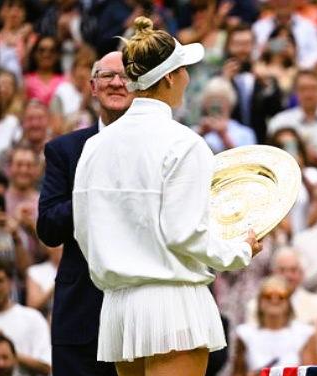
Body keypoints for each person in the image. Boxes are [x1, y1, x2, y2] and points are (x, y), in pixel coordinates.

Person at [72, 17, 262, 376]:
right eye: (185, 69)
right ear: (171, 77)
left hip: (118, 305)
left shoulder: (94, 146)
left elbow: (85, 232)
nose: (189, 78)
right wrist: (240, 249)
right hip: (172, 302)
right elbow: (183, 232)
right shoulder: (184, 143)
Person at [36, 51, 134, 376]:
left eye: (126, 76)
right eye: (107, 76)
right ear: (93, 86)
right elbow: (48, 227)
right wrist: (92, 194)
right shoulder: (64, 150)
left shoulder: (161, 150)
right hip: (81, 314)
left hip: (141, 312)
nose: (117, 83)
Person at [0, 256, 51, 376]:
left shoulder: (33, 319)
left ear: (11, 282)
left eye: (0, 281)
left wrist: (11, 354)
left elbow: (47, 367)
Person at [233, 276, 317, 375]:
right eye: (268, 296)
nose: (274, 300)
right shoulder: (245, 334)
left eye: (281, 296)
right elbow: (237, 372)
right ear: (260, 301)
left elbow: (310, 373)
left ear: (289, 302)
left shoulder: (304, 333)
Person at [245, 248, 317, 325]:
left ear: (302, 273)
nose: (288, 276)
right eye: (282, 270)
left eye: (293, 270)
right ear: (273, 273)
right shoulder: (255, 307)